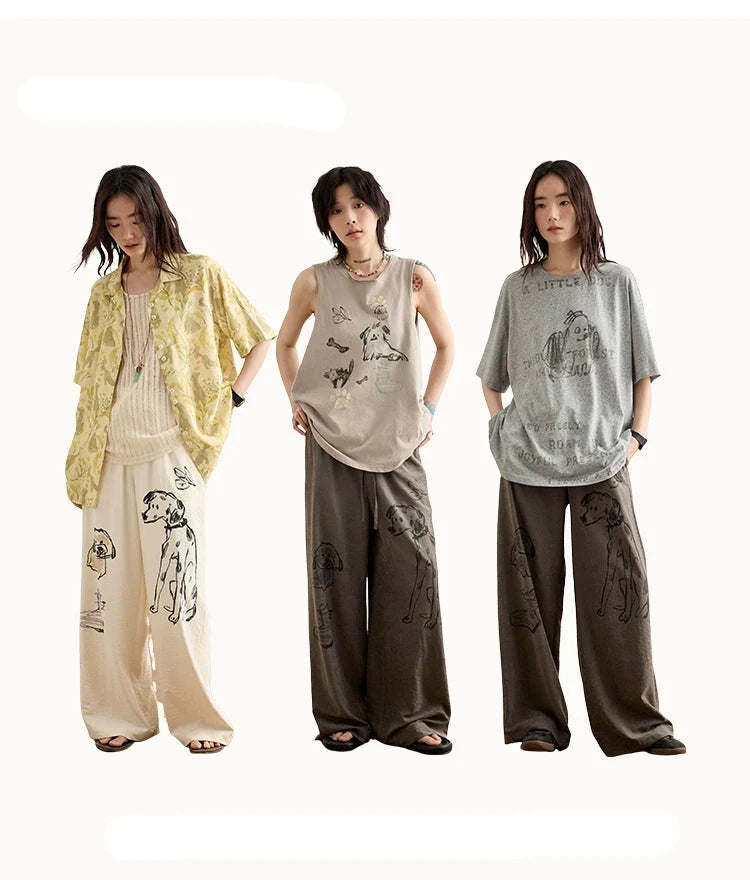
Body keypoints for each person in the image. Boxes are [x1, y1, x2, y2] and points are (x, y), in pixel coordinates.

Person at [477, 159, 685, 757]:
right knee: (528, 598)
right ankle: (537, 721)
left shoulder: (617, 282)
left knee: (619, 590)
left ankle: (636, 723)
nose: (552, 215)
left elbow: (643, 370)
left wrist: (635, 439)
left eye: (563, 201)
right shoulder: (517, 288)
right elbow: (491, 375)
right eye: (541, 204)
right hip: (527, 463)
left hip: (602, 459)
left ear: (583, 206)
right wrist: (500, 429)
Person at [67, 165, 276, 754]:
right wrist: (80, 460)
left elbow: (259, 335)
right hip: (107, 455)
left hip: (170, 452)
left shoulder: (198, 274)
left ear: (156, 212)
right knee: (109, 595)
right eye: (114, 224)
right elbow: (89, 382)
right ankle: (118, 714)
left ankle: (198, 720)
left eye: (135, 219)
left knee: (176, 595)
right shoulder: (103, 294)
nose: (127, 233)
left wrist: (233, 397)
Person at [276, 166, 453, 754]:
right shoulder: (314, 281)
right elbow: (284, 343)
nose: (349, 218)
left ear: (377, 209)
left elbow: (447, 345)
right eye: (335, 210)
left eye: (358, 205)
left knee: (411, 574)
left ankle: (412, 715)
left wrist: (428, 409)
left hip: (400, 444)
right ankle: (341, 713)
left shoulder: (413, 277)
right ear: (326, 221)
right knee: (336, 576)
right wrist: (297, 399)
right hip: (330, 443)